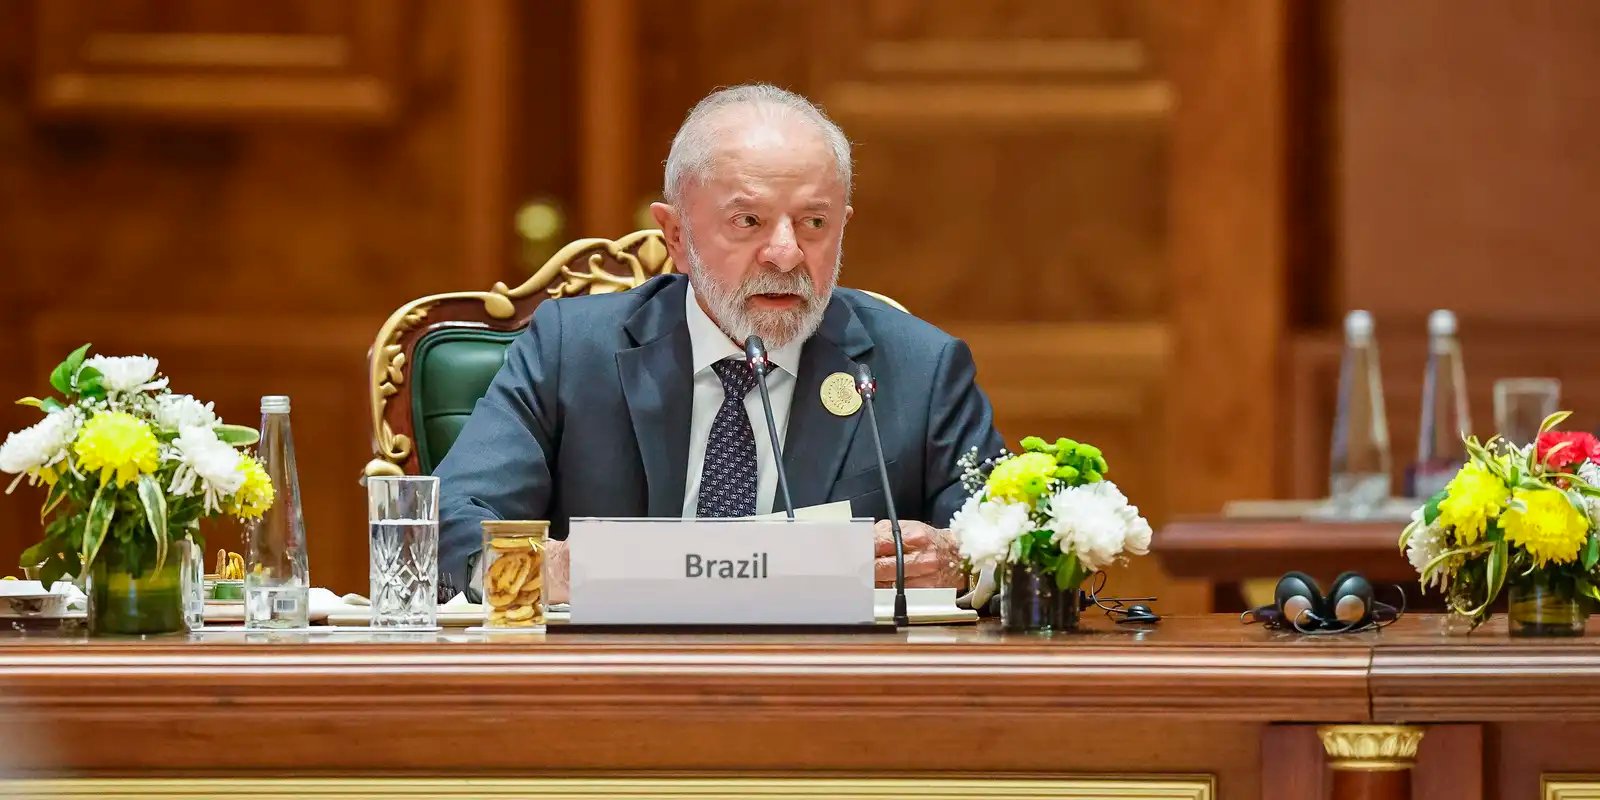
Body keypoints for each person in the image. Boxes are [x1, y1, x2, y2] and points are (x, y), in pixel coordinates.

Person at [435, 84, 1002, 601]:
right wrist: (552, 568)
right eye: (748, 221)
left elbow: (1018, 542)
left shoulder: (920, 369)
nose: (786, 255)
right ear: (677, 236)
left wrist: (959, 562)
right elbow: (451, 523)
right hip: (614, 670)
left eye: (814, 223)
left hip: (824, 675)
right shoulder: (570, 350)